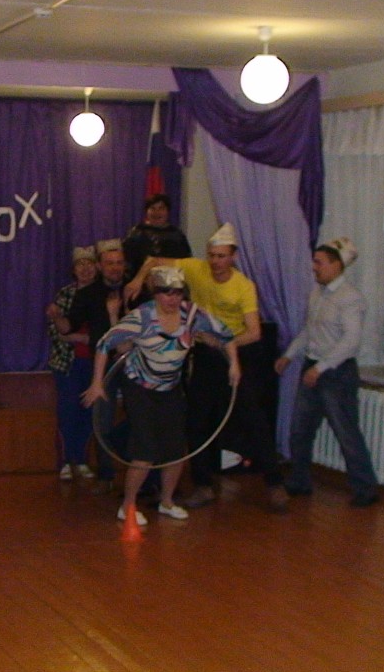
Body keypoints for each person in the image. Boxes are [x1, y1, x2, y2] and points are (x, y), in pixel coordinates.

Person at [125, 223, 287, 512]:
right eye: (211, 255)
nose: (215, 261)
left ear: (233, 257)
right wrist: (138, 280)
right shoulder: (195, 268)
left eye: (221, 256)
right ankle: (203, 485)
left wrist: (224, 343)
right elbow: (153, 260)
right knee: (196, 422)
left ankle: (274, 484)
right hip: (204, 358)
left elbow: (254, 332)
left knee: (254, 419)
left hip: (237, 355)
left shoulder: (243, 286)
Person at [82, 266, 239, 525]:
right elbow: (104, 343)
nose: (172, 299)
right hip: (139, 386)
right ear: (155, 294)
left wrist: (234, 364)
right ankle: (128, 506)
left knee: (175, 449)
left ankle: (166, 501)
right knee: (145, 449)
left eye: (177, 293)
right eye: (166, 293)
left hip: (170, 387)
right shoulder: (142, 317)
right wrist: (97, 382)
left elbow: (226, 334)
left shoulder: (192, 315)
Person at [274, 237, 380, 507]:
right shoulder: (317, 293)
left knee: (346, 433)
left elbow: (350, 342)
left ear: (336, 265)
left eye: (319, 262)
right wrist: (289, 355)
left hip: (337, 374)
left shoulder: (351, 298)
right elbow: (309, 330)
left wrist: (320, 368)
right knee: (300, 430)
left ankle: (365, 489)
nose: (314, 267)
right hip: (312, 367)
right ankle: (299, 480)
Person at [53, 239, 129, 493]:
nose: (115, 268)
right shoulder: (88, 294)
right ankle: (106, 475)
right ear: (101, 266)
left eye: (119, 263)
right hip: (105, 365)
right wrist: (57, 317)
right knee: (102, 421)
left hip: (135, 364)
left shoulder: (134, 290)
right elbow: (69, 326)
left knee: (140, 418)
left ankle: (146, 476)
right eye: (109, 263)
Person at [45, 246, 98, 481]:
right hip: (68, 362)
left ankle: (82, 459)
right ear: (73, 270)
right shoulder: (65, 294)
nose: (85, 268)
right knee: (68, 411)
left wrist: (86, 339)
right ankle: (66, 461)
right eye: (80, 264)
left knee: (89, 412)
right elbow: (56, 331)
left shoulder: (103, 293)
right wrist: (72, 334)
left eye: (89, 263)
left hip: (94, 362)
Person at [121, 193, 192, 282]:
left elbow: (186, 263)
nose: (157, 212)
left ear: (168, 211)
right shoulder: (136, 232)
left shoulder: (177, 235)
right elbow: (126, 263)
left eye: (161, 208)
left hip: (172, 284)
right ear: (147, 211)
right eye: (152, 208)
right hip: (140, 284)